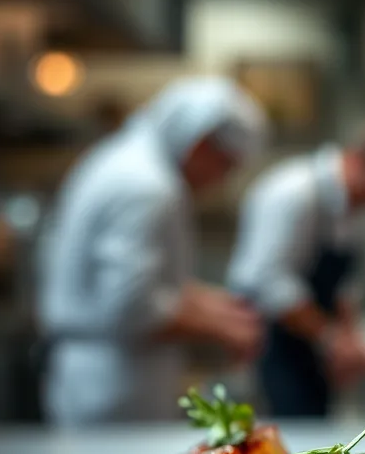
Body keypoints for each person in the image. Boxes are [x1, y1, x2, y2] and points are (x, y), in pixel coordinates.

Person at [39, 76, 267, 425]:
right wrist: (220, 329)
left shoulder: (125, 160)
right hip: (115, 387)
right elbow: (131, 308)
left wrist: (215, 307)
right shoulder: (147, 187)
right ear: (201, 145)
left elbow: (147, 284)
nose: (221, 180)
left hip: (106, 375)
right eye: (226, 166)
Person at [227, 122, 365, 417]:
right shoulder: (294, 193)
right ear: (355, 161)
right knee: (289, 431)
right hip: (269, 336)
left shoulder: (356, 204)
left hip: (312, 337)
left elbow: (344, 284)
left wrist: (351, 339)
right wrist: (332, 341)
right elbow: (272, 284)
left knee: (317, 423)